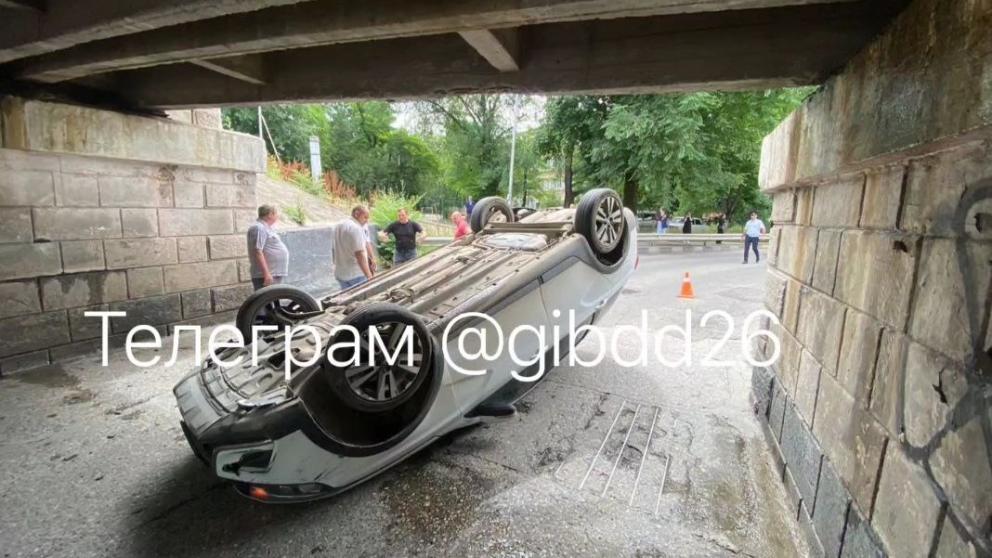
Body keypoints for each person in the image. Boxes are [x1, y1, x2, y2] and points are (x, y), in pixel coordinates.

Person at [246, 204, 289, 290]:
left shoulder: (266, 228)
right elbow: (258, 251)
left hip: (273, 273)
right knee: (267, 297)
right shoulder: (259, 228)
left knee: (274, 297)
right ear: (270, 214)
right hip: (265, 275)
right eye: (275, 214)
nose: (277, 216)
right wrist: (266, 274)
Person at [334, 205, 375, 290]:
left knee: (348, 297)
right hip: (356, 274)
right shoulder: (356, 228)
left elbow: (334, 249)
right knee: (363, 297)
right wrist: (369, 276)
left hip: (341, 273)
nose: (366, 221)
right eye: (365, 217)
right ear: (356, 214)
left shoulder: (339, 225)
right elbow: (360, 254)